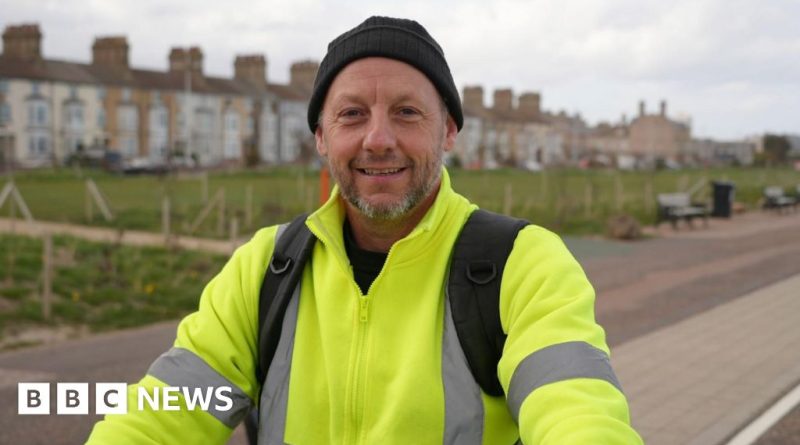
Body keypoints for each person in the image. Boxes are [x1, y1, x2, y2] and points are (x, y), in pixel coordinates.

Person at [87, 16, 642, 445]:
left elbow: (577, 407)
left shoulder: (523, 262)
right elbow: (162, 413)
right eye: (352, 114)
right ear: (321, 138)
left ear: (448, 130)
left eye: (406, 112)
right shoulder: (265, 268)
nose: (378, 139)